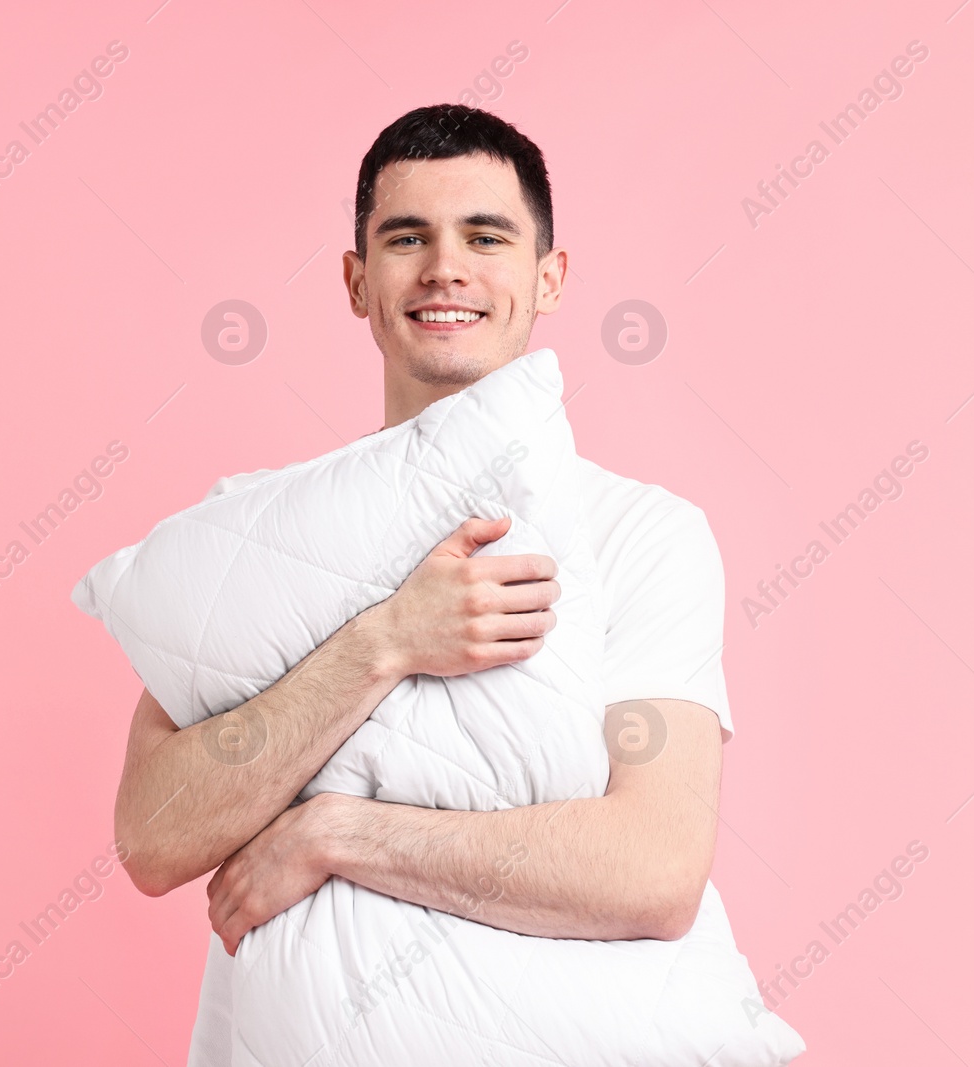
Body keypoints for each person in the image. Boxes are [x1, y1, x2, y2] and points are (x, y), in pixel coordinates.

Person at [111, 103, 736, 1065]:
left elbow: (652, 871)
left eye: (486, 236)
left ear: (550, 277)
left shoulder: (645, 535)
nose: (445, 266)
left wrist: (336, 832)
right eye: (407, 238)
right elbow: (155, 836)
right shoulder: (256, 529)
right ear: (357, 283)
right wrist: (385, 640)